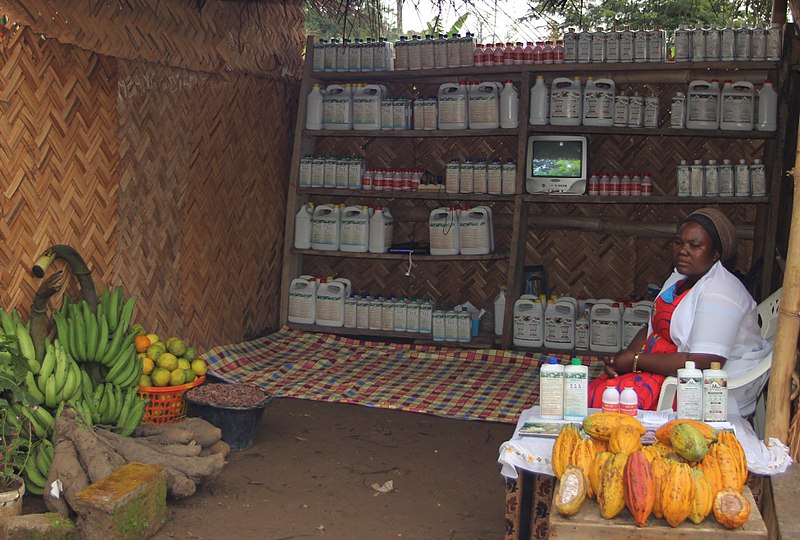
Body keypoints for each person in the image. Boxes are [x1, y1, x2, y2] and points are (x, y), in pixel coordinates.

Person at [588, 208, 772, 416]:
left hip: (703, 386)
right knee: (599, 393)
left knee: (603, 404)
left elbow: (704, 362)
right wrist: (625, 359)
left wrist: (635, 362)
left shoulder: (721, 293)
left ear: (715, 254)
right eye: (678, 242)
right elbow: (653, 326)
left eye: (695, 246)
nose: (683, 250)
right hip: (666, 369)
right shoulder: (680, 279)